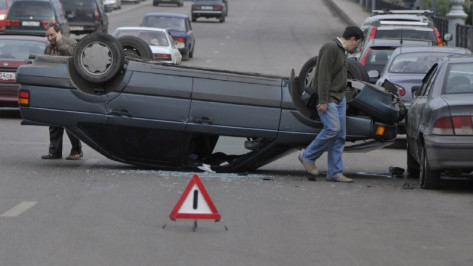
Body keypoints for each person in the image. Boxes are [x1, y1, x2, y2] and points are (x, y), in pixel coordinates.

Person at [298, 26, 364, 182]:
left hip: (339, 97)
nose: (357, 47)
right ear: (352, 39)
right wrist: (323, 100)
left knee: (340, 136)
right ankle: (307, 156)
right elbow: (324, 75)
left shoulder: (341, 50)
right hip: (328, 99)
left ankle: (335, 172)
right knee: (332, 129)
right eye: (358, 43)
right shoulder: (331, 47)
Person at [41, 23, 83, 160]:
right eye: (47, 35)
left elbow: (73, 56)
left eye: (52, 35)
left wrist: (59, 42)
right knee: (53, 122)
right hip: (54, 88)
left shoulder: (70, 43)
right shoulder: (48, 49)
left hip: (68, 88)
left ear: (59, 32)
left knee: (69, 122)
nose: (49, 38)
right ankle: (54, 152)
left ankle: (76, 151)